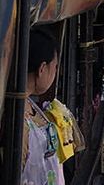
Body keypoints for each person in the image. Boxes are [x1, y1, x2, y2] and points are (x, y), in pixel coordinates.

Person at [22, 27, 65, 185]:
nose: (55, 73)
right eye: (54, 68)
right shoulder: (18, 122)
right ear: (42, 69)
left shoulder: (29, 103)